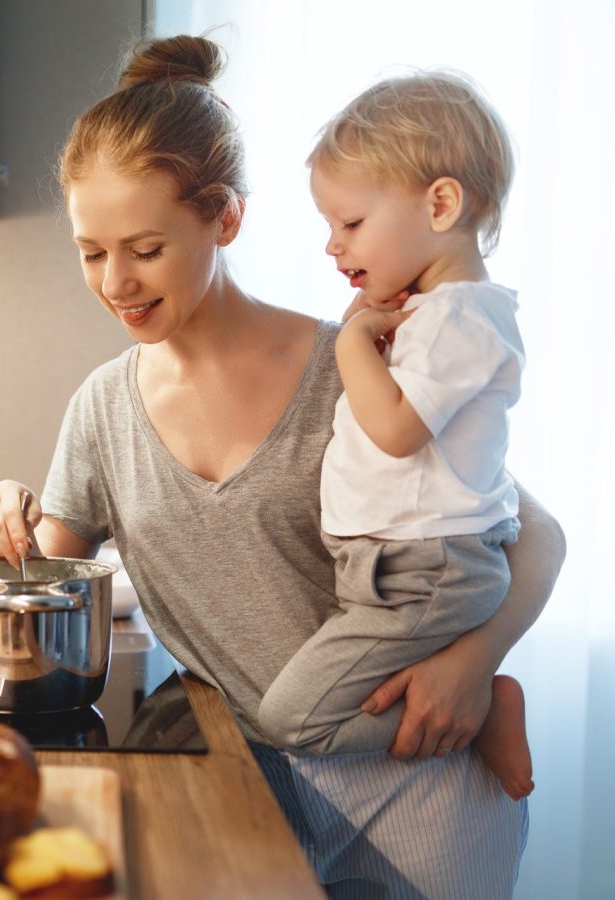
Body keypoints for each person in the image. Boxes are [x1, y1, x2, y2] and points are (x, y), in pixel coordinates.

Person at [0, 35, 565, 899]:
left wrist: (476, 666)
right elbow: (44, 577)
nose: (116, 283)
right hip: (255, 789)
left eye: (145, 248)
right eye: (91, 252)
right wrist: (5, 510)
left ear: (225, 220)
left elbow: (533, 535)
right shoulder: (103, 409)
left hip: (425, 772)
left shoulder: (356, 362)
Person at [254, 72, 534, 803]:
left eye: (350, 223)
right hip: (395, 569)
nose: (331, 245)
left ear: (440, 204)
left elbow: (398, 432)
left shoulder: (461, 318)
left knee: (293, 719)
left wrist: (350, 345)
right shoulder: (437, 317)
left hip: (424, 571)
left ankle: (477, 718)